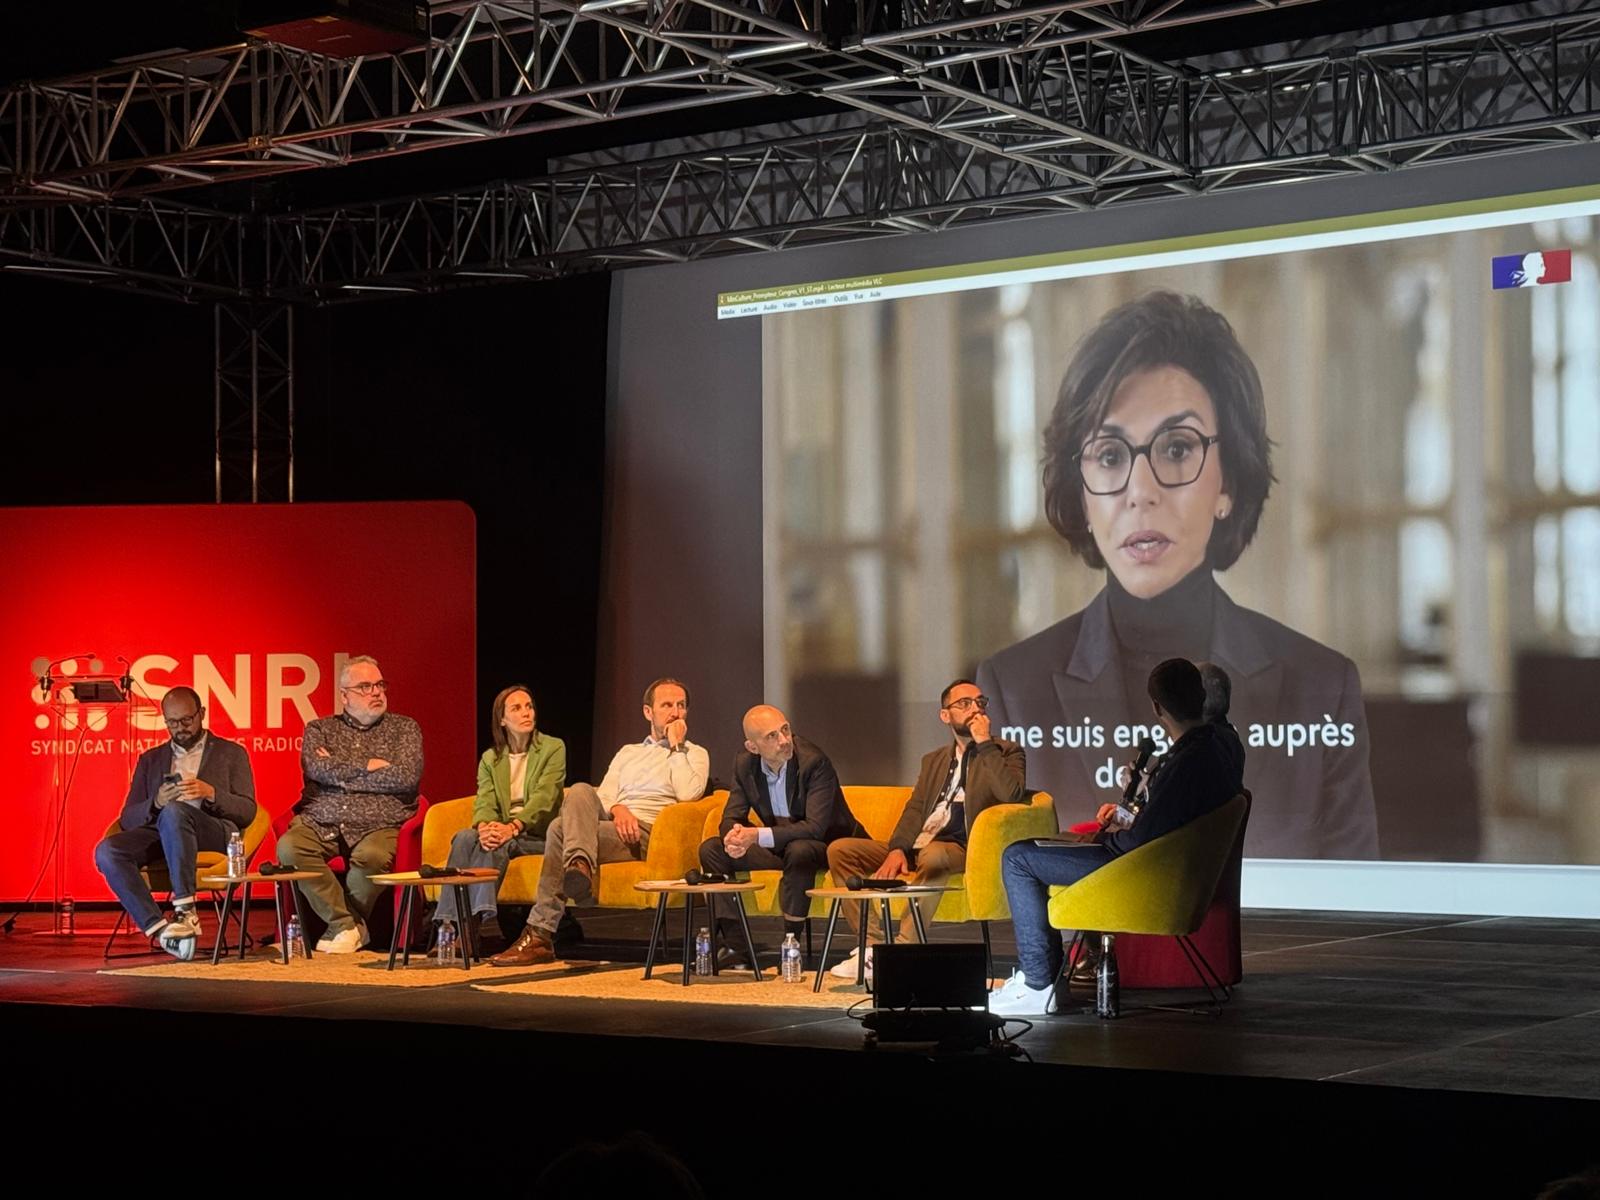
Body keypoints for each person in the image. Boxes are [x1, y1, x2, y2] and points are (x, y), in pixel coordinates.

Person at [976, 290, 1377, 860]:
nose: (1141, 492)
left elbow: (1351, 910)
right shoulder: (1012, 687)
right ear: (1082, 494)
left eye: (1178, 448)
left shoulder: (1323, 686)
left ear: (1228, 482)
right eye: (1110, 456)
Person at [989, 658, 1244, 1016]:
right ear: (1200, 696)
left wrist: (1102, 841)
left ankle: (1038, 983)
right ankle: (1048, 979)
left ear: (1156, 706)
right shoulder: (1215, 747)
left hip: (1133, 869)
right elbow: (1162, 822)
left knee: (1017, 858)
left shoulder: (1190, 759)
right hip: (1148, 863)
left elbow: (1140, 841)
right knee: (1036, 851)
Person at [491, 678, 709, 967]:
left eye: (681, 706)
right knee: (581, 789)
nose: (675, 712)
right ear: (648, 712)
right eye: (667, 705)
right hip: (616, 826)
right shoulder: (628, 752)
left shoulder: (694, 753)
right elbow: (604, 794)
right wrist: (618, 809)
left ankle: (541, 933)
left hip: (652, 835)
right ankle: (578, 866)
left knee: (559, 828)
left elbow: (688, 793)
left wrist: (677, 746)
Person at [825, 679, 1025, 979]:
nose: (975, 709)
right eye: (964, 703)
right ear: (945, 715)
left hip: (962, 848)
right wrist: (897, 849)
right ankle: (872, 949)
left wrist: (984, 744)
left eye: (980, 703)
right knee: (840, 850)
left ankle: (906, 949)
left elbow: (1011, 794)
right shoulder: (933, 760)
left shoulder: (1006, 752)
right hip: (922, 846)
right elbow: (916, 808)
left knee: (933, 855)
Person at [94, 687, 257, 960]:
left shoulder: (232, 753)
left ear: (202, 714)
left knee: (175, 812)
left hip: (212, 830)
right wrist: (155, 802)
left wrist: (212, 794)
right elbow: (128, 818)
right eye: (172, 722)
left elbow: (248, 811)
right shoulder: (151, 759)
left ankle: (185, 911)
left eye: (186, 720)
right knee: (108, 851)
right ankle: (160, 929)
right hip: (163, 831)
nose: (180, 728)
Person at [276, 656, 423, 954]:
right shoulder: (319, 729)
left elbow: (405, 778)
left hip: (381, 822)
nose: (377, 692)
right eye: (365, 686)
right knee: (290, 848)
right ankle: (346, 924)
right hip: (322, 819)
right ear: (344, 696)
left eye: (380, 685)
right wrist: (371, 766)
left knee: (371, 858)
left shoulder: (405, 729)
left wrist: (340, 770)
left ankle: (344, 926)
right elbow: (317, 769)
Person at [698, 705, 856, 967]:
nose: (784, 741)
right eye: (772, 736)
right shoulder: (744, 764)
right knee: (712, 850)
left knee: (800, 849)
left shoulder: (813, 762)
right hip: (779, 846)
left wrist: (755, 835)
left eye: (785, 730)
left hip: (825, 846)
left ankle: (790, 945)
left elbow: (815, 827)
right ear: (752, 747)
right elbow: (731, 816)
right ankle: (736, 946)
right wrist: (734, 838)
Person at [433, 685, 566, 948]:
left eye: (529, 706)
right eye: (516, 708)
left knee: (497, 844)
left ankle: (473, 928)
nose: (526, 712)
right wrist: (484, 826)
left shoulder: (552, 748)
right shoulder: (491, 758)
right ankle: (450, 925)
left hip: (537, 835)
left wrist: (512, 827)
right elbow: (485, 799)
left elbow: (545, 797)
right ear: (502, 720)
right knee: (464, 838)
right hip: (503, 831)